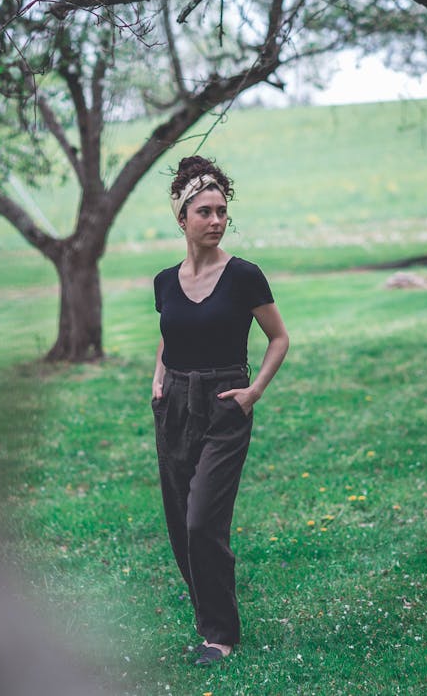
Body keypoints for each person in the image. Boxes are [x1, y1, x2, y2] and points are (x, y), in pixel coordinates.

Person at [150, 156, 289, 666]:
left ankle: (220, 635)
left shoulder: (244, 276)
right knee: (178, 522)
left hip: (226, 403)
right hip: (174, 407)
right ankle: (211, 621)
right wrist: (158, 380)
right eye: (204, 212)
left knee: (201, 520)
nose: (215, 221)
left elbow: (278, 338)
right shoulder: (166, 282)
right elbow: (169, 337)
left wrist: (254, 392)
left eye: (222, 211)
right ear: (182, 218)